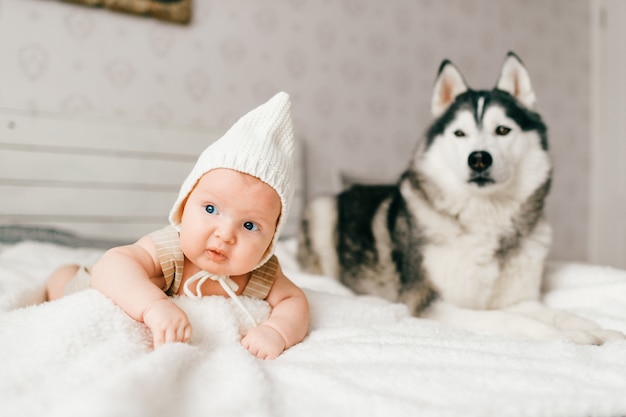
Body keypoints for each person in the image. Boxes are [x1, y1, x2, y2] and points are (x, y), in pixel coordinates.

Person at [46, 92, 310, 360]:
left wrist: (276, 331)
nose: (226, 234)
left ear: (271, 239)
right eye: (211, 209)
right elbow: (112, 265)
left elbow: (294, 301)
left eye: (250, 225)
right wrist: (154, 306)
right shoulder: (169, 249)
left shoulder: (260, 271)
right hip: (90, 282)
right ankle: (62, 273)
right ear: (183, 207)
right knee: (63, 284)